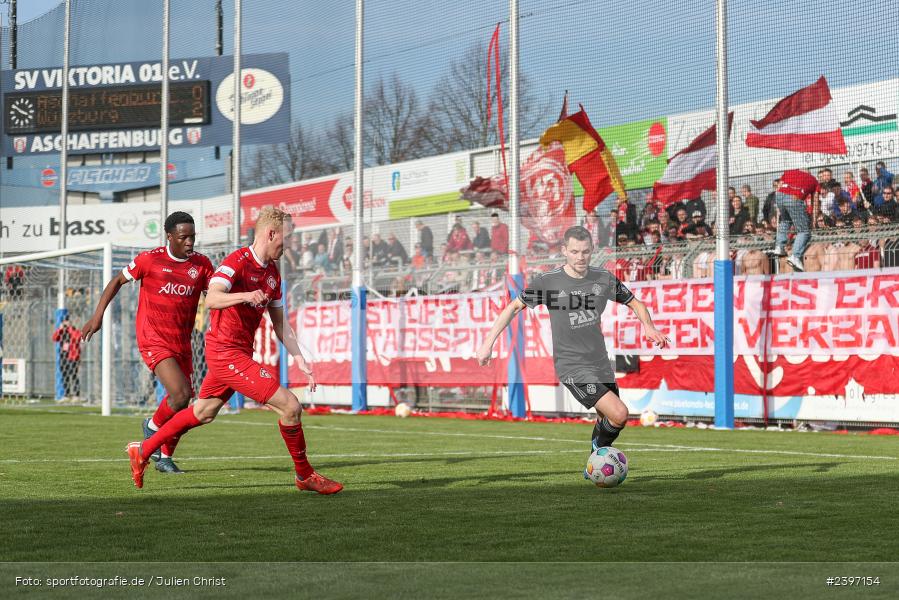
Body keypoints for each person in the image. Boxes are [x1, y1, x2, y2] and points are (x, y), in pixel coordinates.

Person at [127, 207, 342, 495]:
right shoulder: (237, 262)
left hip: (238, 352)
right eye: (285, 238)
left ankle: (143, 450)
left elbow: (281, 325)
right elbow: (213, 298)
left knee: (203, 412)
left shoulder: (273, 275)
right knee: (290, 406)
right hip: (225, 352)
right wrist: (245, 295)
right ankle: (305, 475)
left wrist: (300, 359)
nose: (287, 245)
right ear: (271, 233)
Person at [475, 226, 669, 464]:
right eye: (575, 251)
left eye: (585, 252)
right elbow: (514, 307)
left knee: (606, 419)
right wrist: (488, 342)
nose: (580, 257)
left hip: (599, 361)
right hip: (572, 365)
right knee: (619, 413)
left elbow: (636, 303)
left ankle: (595, 463)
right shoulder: (548, 282)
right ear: (564, 250)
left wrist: (648, 326)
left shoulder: (603, 278)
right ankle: (598, 453)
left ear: (592, 251)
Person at [82, 212, 214, 474]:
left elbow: (217, 294)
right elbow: (117, 280)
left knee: (181, 404)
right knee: (181, 394)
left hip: (182, 341)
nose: (189, 242)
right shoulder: (150, 259)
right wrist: (97, 316)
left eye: (192, 236)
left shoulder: (201, 265)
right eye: (183, 237)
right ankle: (152, 428)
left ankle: (164, 457)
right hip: (153, 338)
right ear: (169, 237)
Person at [766, 169, 818, 272]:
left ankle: (779, 246)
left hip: (779, 196)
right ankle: (796, 256)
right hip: (794, 198)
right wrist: (814, 220)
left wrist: (779, 209)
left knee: (785, 221)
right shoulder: (814, 180)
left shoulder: (790, 172)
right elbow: (815, 202)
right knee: (804, 231)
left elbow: (779, 186)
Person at [53, 314, 82, 401]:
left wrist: (69, 328)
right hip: (64, 356)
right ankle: (67, 394)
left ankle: (76, 394)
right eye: (64, 321)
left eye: (66, 321)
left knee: (73, 375)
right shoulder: (62, 332)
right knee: (64, 375)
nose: (65, 323)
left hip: (73, 356)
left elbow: (77, 337)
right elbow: (54, 338)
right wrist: (60, 329)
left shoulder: (74, 330)